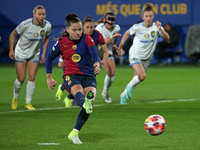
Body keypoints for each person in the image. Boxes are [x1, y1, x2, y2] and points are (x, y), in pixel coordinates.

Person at [46, 13, 101, 144]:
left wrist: (97, 63)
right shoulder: (62, 43)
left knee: (90, 105)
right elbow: (49, 58)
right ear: (67, 30)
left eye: (80, 29)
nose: (78, 32)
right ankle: (83, 102)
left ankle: (74, 132)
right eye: (74, 30)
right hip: (71, 75)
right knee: (78, 92)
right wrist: (49, 78)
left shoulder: (87, 38)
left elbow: (95, 54)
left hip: (88, 75)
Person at [118, 3, 170, 104]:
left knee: (137, 79)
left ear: (153, 17)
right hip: (135, 55)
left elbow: (167, 38)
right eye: (146, 16)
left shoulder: (156, 27)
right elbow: (127, 33)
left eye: (150, 16)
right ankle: (128, 87)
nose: (148, 18)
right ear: (143, 17)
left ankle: (123, 95)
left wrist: (161, 30)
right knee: (142, 76)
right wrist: (121, 45)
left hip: (147, 58)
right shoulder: (137, 27)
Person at [57, 16, 109, 107]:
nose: (89, 29)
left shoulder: (98, 35)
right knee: (75, 81)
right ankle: (64, 90)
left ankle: (70, 98)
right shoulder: (77, 35)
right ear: (83, 27)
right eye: (87, 27)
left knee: (81, 84)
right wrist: (61, 60)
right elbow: (66, 47)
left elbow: (105, 51)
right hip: (75, 62)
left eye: (91, 27)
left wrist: (101, 61)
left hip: (89, 62)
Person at [9, 5, 51, 110]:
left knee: (31, 78)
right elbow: (12, 35)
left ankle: (28, 103)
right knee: (21, 79)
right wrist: (11, 50)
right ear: (34, 15)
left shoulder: (47, 25)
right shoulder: (25, 24)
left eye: (43, 14)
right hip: (21, 53)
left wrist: (44, 53)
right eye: (39, 14)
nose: (42, 17)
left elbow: (46, 39)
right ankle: (15, 97)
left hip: (34, 54)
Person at [95, 11, 122, 103]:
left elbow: (116, 36)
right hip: (98, 52)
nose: (111, 21)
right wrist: (111, 37)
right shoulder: (99, 28)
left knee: (112, 73)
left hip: (108, 51)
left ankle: (105, 92)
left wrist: (114, 44)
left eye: (113, 19)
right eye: (109, 19)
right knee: (107, 71)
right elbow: (103, 44)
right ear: (104, 20)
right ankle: (74, 95)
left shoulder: (116, 28)